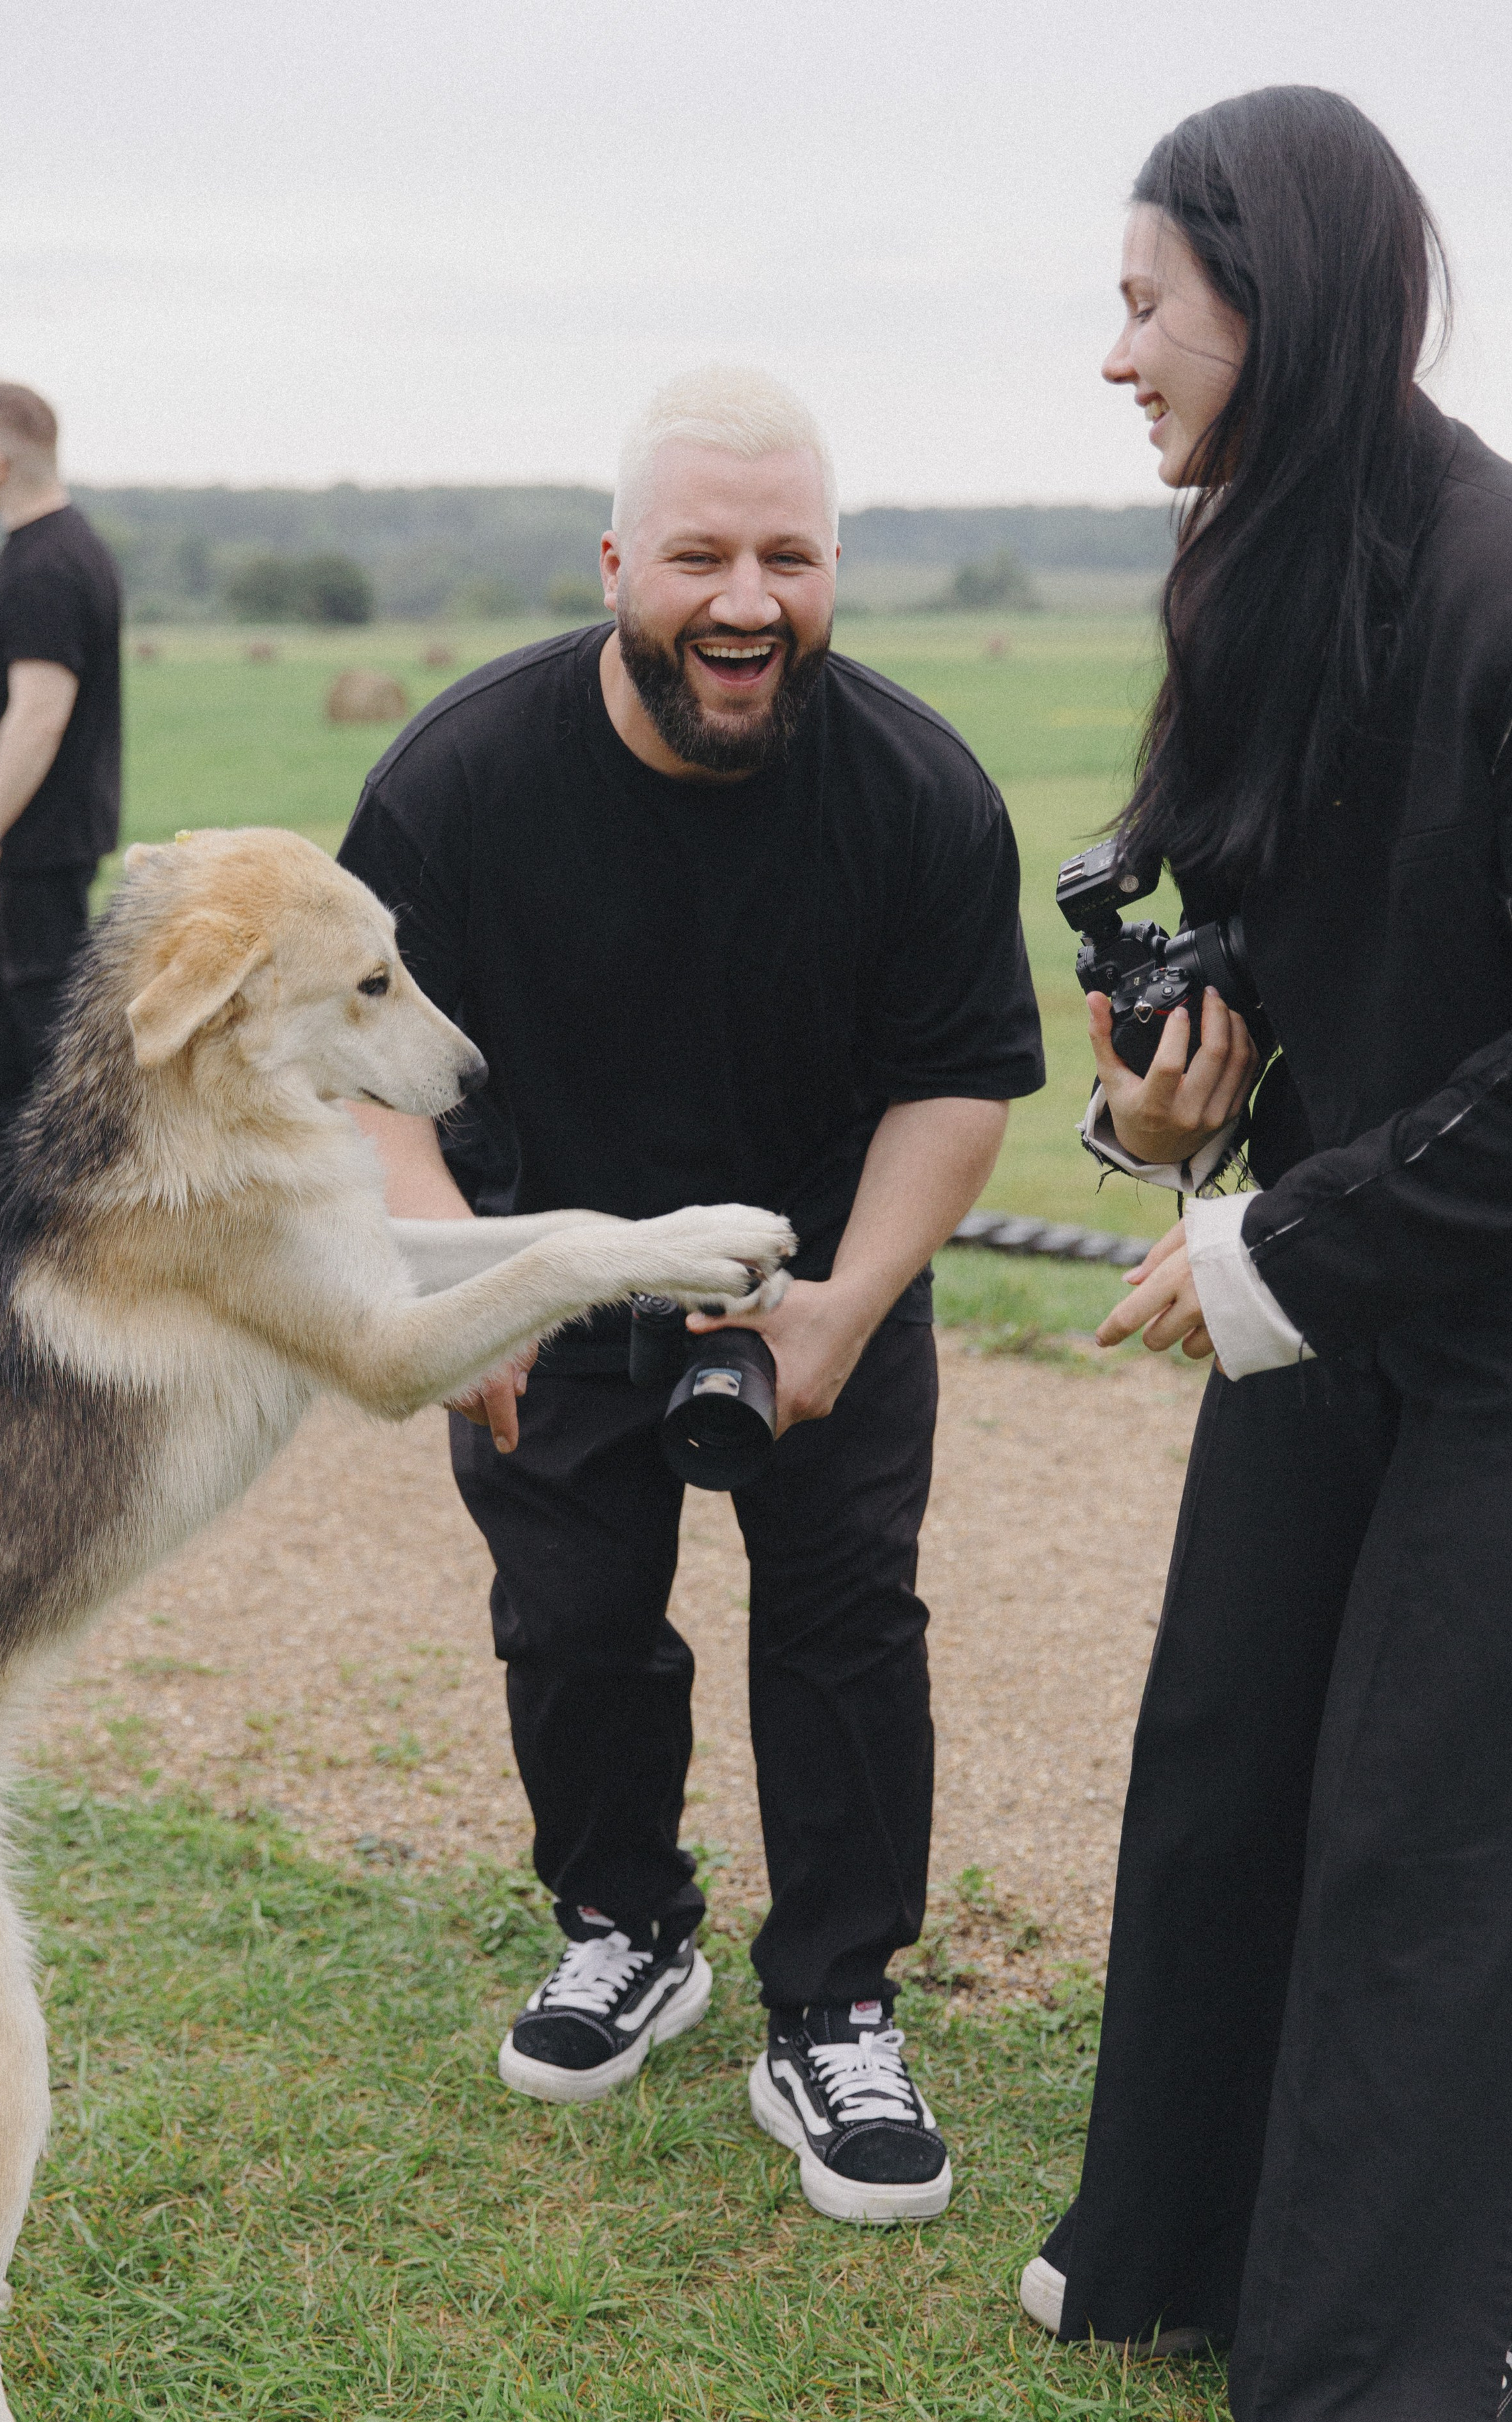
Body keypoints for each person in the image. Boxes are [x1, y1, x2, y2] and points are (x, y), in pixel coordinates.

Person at [340, 368, 1043, 2224]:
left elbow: (960, 1082)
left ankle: (832, 2005)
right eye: (702, 555)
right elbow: (350, 1063)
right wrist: (448, 1294)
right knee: (569, 1619)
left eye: (789, 556)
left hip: (816, 1278)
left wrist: (851, 1303)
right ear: (617, 566)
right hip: (545, 1277)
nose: (747, 599)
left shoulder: (918, 791)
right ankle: (628, 1923)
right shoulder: (458, 779)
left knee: (839, 1623)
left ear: (835, 570)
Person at [1016, 87, 1512, 2422]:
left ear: (1268, 304)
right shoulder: (1240, 571)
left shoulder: (1506, 578)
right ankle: (1172, 2247)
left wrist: (1253, 1254)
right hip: (1334, 1253)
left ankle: (1397, 2389)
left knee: (1419, 1825)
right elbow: (1224, 932)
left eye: (1140, 304)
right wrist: (1164, 1108)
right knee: (1222, 1747)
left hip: (1483, 1314)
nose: (1110, 356)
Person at [0, 381, 121, 1189]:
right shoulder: (53, 548)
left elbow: (39, 714)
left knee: (38, 1003)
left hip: (32, 836)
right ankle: (0, 1151)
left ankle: (63, 1171)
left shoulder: (46, 565)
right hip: (36, 833)